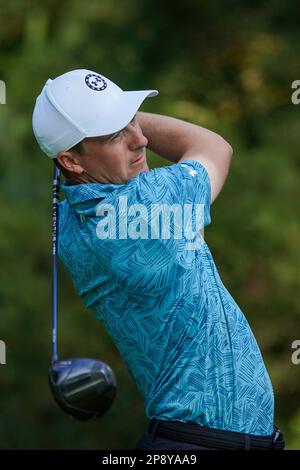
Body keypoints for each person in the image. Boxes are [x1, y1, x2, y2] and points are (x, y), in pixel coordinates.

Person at [32, 69, 284, 450]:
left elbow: (70, 178)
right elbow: (215, 147)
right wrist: (111, 116)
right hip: (203, 444)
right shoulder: (147, 207)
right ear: (72, 160)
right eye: (117, 134)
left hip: (197, 440)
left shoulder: (69, 223)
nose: (141, 139)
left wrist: (103, 120)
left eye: (133, 120)